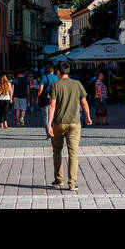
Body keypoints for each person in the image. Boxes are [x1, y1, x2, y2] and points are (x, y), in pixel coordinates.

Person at [46, 61, 92, 190]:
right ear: (68, 72)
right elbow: (84, 102)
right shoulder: (77, 84)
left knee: (57, 150)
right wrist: (88, 117)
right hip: (74, 123)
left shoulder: (55, 85)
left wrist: (48, 125)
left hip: (59, 123)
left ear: (58, 73)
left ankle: (59, 179)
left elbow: (52, 106)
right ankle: (72, 184)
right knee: (73, 153)